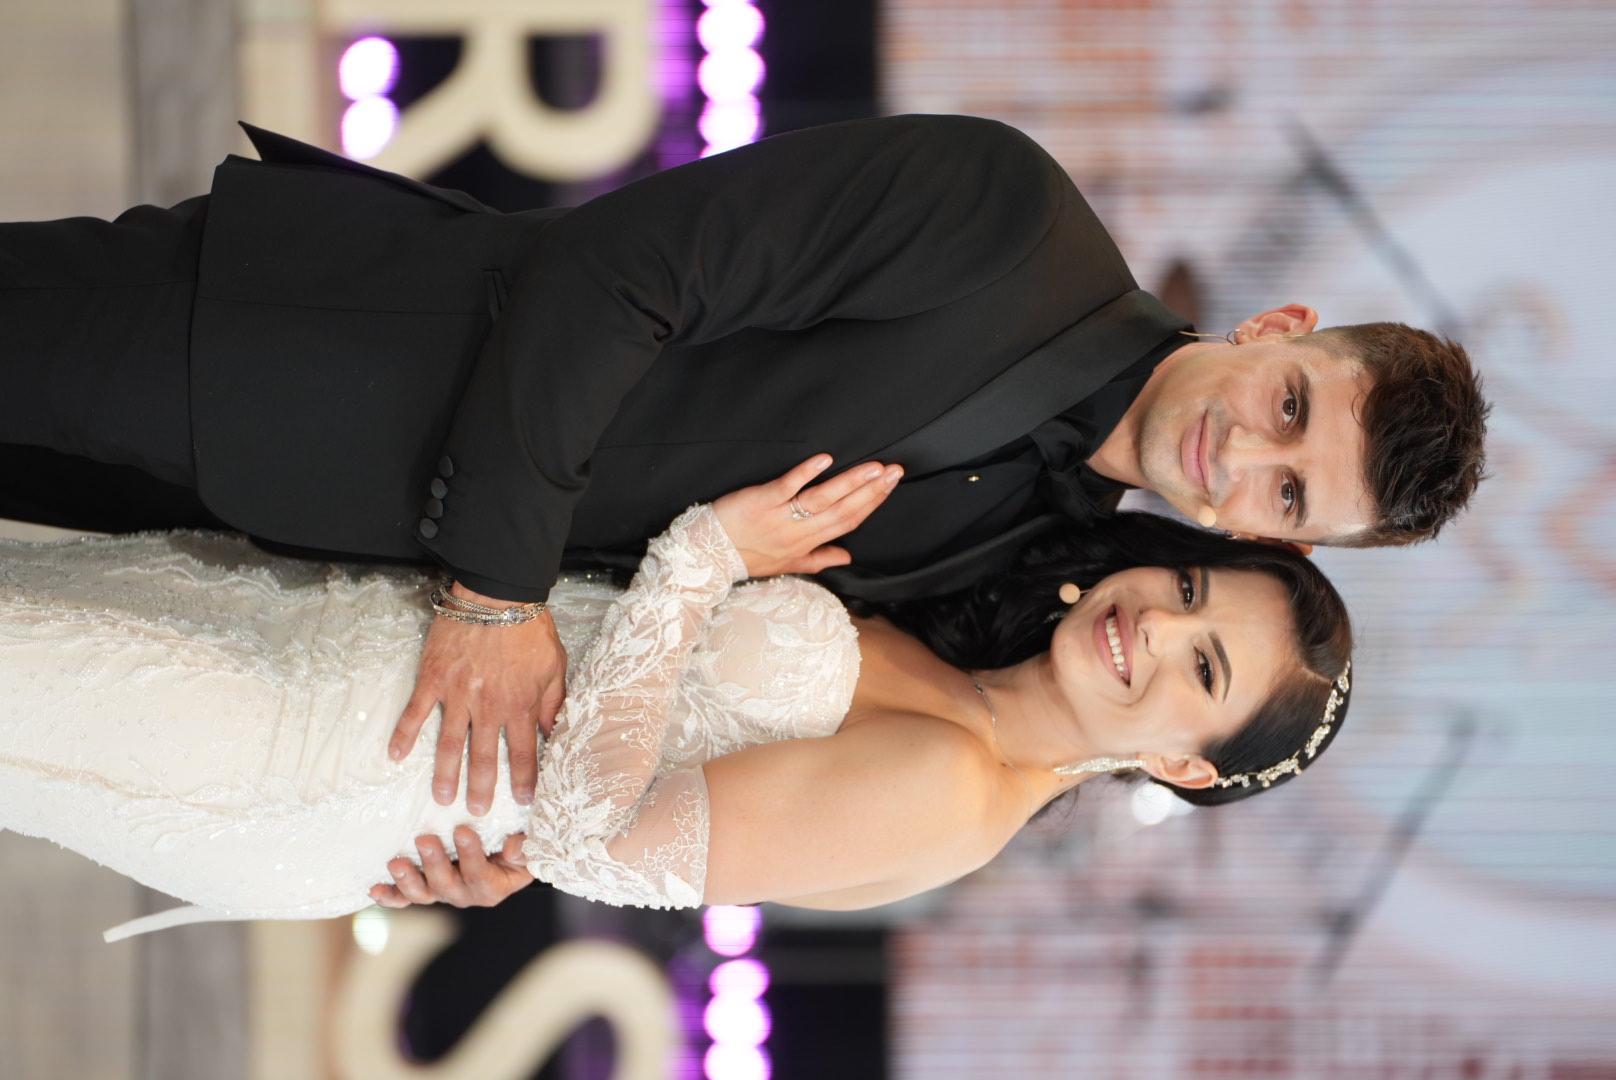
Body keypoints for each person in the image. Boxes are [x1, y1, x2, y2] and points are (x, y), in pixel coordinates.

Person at [0, 114, 1475, 826]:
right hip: (293, 349)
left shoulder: (1035, 566)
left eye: (1290, 493)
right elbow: (617, 272)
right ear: (1277, 329)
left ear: (1281, 539)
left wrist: (522, 840)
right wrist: (495, 595)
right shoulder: (1007, 216)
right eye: (1290, 404)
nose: (1246, 454)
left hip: (281, 567)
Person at [0, 457, 1351, 936]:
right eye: (1188, 590)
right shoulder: (959, 659)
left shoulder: (957, 791)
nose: (1154, 628)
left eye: (1203, 670)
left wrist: (701, 559)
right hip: (344, 636)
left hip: (328, 753)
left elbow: (596, 843)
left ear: (1186, 765)